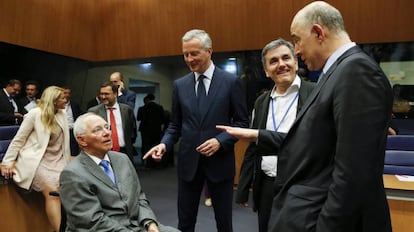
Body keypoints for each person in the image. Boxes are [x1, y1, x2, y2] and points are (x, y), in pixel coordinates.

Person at [217, 2, 393, 231]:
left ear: (318, 33)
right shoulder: (339, 71)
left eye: (297, 40)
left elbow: (352, 174)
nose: (297, 50)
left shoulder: (356, 71)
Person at [144, 29, 249, 232]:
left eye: (194, 53)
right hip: (188, 163)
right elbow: (175, 124)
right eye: (185, 54)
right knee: (185, 222)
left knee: (224, 223)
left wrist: (220, 141)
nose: (189, 59)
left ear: (209, 51)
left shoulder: (230, 82)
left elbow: (242, 123)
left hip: (220, 162)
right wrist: (164, 144)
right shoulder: (180, 85)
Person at [235, 38, 315, 232]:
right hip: (267, 186)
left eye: (286, 58)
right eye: (273, 61)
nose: (281, 64)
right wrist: (244, 188)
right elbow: (254, 145)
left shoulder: (316, 94)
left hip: (302, 186)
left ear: (296, 62)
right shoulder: (261, 102)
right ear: (266, 70)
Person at [59, 112, 180, 232]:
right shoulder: (73, 174)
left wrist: (149, 222)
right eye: (97, 130)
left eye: (107, 127)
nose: (107, 133)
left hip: (137, 224)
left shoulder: (122, 159)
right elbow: (92, 221)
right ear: (82, 140)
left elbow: (139, 197)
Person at [0, 86, 71, 231]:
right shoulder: (34, 114)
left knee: (70, 189)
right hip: (37, 161)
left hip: (58, 160)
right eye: (62, 98)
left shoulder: (62, 114)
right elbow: (19, 140)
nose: (66, 100)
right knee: (52, 191)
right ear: (54, 100)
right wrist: (6, 163)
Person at [88, 81, 137, 162]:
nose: (103, 97)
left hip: (124, 152)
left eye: (106, 94)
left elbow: (132, 131)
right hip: (103, 153)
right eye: (101, 94)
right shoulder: (94, 112)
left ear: (115, 94)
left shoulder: (127, 110)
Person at [137, 93, 165, 168]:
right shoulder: (159, 107)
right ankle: (155, 162)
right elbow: (163, 119)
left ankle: (145, 161)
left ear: (146, 100)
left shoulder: (142, 108)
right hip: (156, 129)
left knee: (145, 145)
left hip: (145, 130)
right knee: (155, 145)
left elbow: (138, 118)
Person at [62, 86, 83, 156]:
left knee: (72, 151)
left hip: (71, 131)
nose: (67, 95)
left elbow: (80, 116)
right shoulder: (57, 105)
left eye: (69, 93)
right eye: (65, 93)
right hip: (61, 131)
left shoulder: (74, 105)